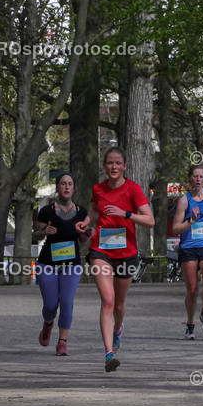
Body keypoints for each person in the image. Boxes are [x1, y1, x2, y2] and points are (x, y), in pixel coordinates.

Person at [75, 147, 154, 372]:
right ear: (104, 165)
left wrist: (126, 214)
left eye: (118, 163)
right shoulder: (98, 189)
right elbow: (95, 210)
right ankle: (109, 353)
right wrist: (86, 221)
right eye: (110, 163)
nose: (114, 167)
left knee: (119, 304)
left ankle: (118, 329)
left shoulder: (133, 189)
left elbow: (150, 221)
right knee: (108, 301)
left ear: (125, 166)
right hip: (101, 250)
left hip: (126, 253)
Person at [33, 173, 89, 356]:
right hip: (47, 263)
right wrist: (44, 231)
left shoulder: (81, 212)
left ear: (73, 188)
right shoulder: (46, 211)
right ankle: (48, 323)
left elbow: (82, 238)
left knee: (66, 302)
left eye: (70, 184)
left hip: (71, 264)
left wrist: (87, 232)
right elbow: (36, 235)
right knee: (50, 305)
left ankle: (62, 342)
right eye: (63, 184)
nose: (66, 187)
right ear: (58, 187)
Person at [172, 165, 203, 340]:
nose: (198, 179)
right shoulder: (184, 201)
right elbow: (176, 229)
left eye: (201, 176)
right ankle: (190, 324)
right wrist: (191, 221)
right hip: (189, 247)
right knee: (192, 290)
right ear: (190, 179)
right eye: (195, 176)